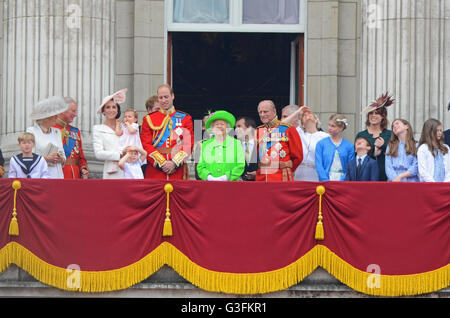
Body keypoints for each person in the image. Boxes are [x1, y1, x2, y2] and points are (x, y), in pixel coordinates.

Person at [140, 84, 194, 180]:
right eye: (161, 98)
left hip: (177, 170)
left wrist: (174, 163)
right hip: (155, 171)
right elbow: (146, 145)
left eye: (166, 97)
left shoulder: (185, 118)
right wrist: (162, 163)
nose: (163, 100)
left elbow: (188, 145)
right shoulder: (148, 119)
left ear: (172, 96)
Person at [255, 100, 303, 182]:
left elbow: (298, 157)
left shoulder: (288, 129)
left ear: (274, 111)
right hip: (261, 178)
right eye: (260, 112)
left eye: (265, 112)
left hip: (281, 177)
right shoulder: (259, 130)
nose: (262, 115)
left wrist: (286, 166)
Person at [196, 111, 245, 181]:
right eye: (216, 124)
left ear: (227, 127)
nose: (219, 126)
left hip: (232, 185)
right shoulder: (206, 145)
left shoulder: (236, 144)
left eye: (222, 124)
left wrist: (225, 177)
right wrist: (209, 177)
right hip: (210, 185)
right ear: (212, 128)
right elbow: (200, 167)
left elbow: (240, 166)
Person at [26, 96, 68, 179]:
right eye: (54, 115)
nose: (57, 117)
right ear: (45, 118)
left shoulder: (57, 132)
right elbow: (28, 157)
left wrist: (61, 159)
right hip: (40, 176)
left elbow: (63, 155)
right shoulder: (31, 131)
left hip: (57, 176)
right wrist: (46, 158)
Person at [356, 92, 394, 181]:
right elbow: (357, 156)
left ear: (383, 117)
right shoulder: (361, 135)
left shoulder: (389, 134)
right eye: (371, 113)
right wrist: (373, 153)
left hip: (386, 177)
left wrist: (384, 146)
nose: (373, 115)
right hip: (365, 176)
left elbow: (396, 153)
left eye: (377, 113)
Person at [93, 88, 128, 179]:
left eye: (114, 107)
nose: (111, 110)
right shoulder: (98, 129)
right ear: (103, 111)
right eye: (107, 107)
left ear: (117, 110)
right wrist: (120, 155)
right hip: (112, 172)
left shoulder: (125, 126)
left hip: (129, 169)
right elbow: (98, 153)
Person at [53, 97, 89, 179]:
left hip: (75, 176)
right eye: (73, 111)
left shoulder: (75, 131)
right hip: (58, 175)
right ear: (62, 110)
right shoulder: (51, 129)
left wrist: (83, 168)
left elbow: (81, 158)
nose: (75, 114)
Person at [293, 107, 329, 181]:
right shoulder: (298, 133)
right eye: (304, 115)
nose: (307, 115)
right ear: (302, 124)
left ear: (316, 120)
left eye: (309, 113)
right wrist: (297, 112)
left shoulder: (325, 136)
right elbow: (281, 125)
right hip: (300, 173)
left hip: (316, 173)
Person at [315, 114, 355, 181]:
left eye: (333, 126)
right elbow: (318, 164)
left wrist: (342, 180)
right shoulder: (321, 144)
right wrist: (325, 180)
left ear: (341, 128)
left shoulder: (349, 146)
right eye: (329, 125)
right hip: (326, 179)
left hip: (342, 179)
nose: (329, 128)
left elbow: (350, 167)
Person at [235, 116, 258, 181]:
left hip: (260, 185)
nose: (236, 129)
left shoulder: (261, 144)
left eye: (239, 126)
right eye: (235, 127)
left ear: (249, 128)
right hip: (240, 186)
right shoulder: (234, 146)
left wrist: (258, 174)